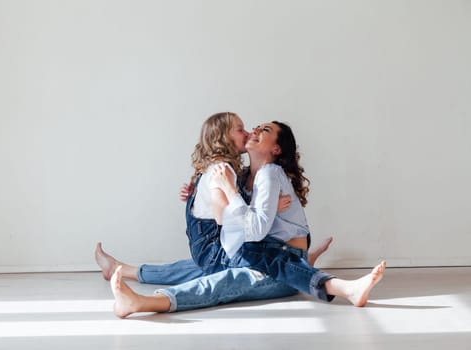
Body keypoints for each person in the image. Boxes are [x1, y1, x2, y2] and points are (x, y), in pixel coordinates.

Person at [106, 114, 385, 317]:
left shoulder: (269, 173)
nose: (253, 130)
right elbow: (242, 222)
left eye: (264, 130)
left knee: (220, 282)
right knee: (200, 266)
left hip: (273, 259)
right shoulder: (243, 177)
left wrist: (229, 191)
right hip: (266, 253)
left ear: (275, 149)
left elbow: (253, 230)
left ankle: (146, 303)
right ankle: (127, 270)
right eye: (250, 127)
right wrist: (197, 191)